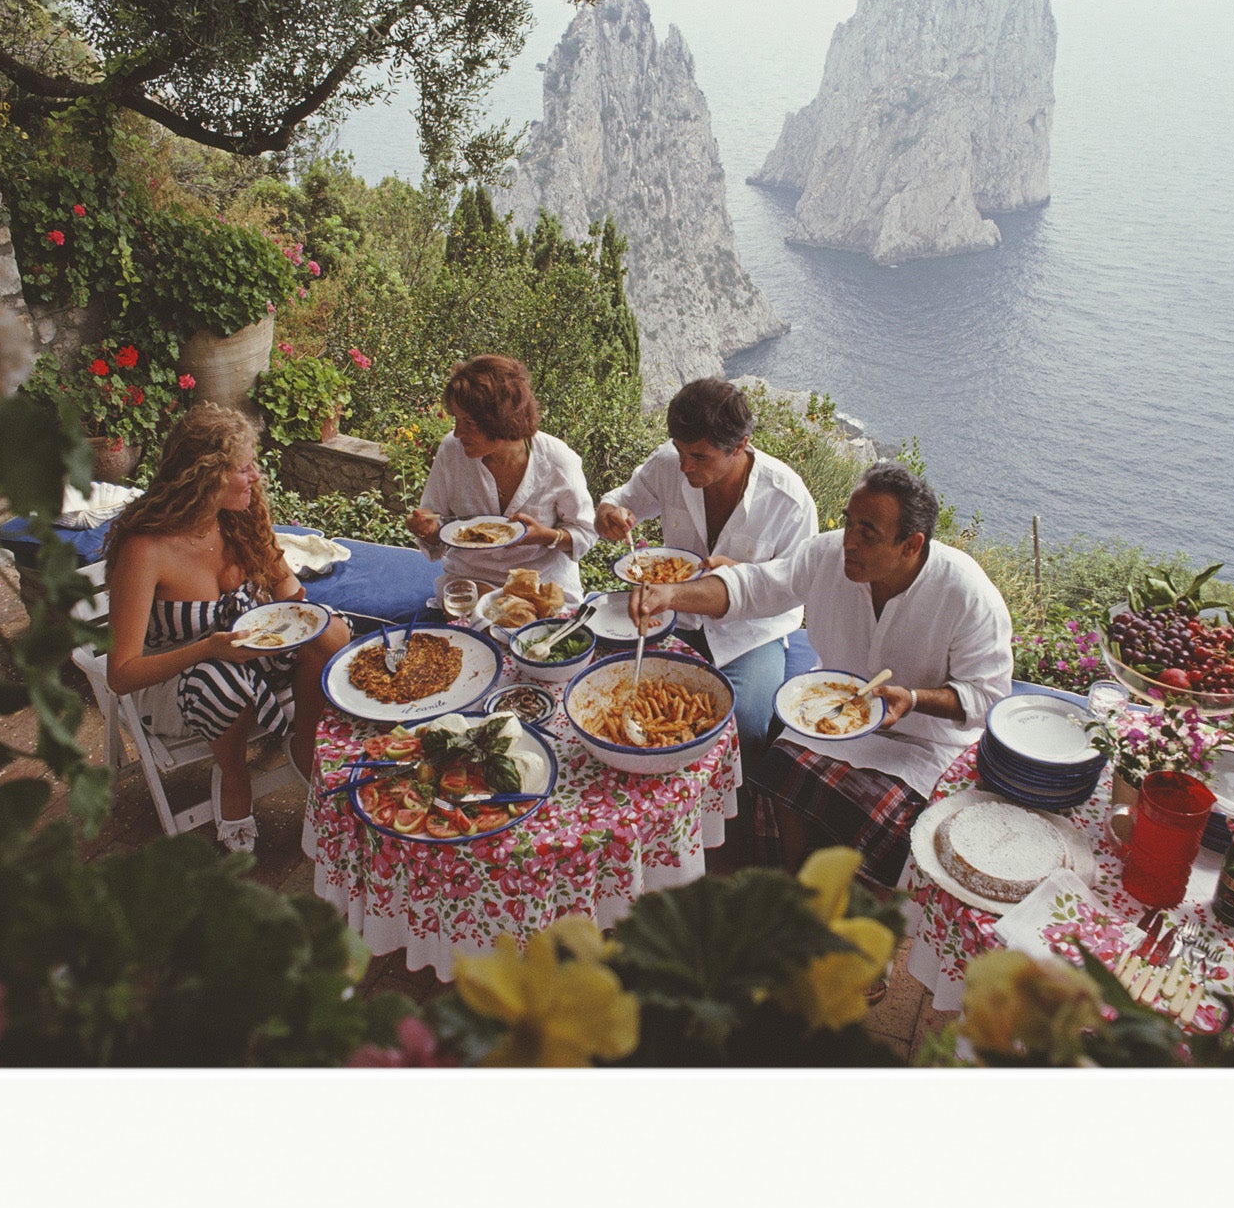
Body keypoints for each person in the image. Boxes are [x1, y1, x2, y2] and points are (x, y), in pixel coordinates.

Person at [628, 461, 1012, 887]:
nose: (850, 543)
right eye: (849, 524)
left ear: (911, 545)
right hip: (827, 715)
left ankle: (864, 906)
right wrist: (670, 594)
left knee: (891, 825)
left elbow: (988, 697)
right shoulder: (826, 555)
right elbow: (752, 588)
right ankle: (794, 885)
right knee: (778, 771)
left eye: (869, 535)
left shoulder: (966, 595)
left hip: (922, 744)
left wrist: (915, 699)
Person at [103, 402, 351, 854]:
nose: (257, 477)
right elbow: (121, 673)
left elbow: (289, 590)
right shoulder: (146, 550)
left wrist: (305, 619)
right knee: (224, 682)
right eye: (245, 467)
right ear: (206, 476)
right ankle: (235, 776)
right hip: (174, 676)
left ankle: (305, 741)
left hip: (241, 650)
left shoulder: (239, 517)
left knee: (331, 633)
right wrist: (208, 649)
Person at [595, 376, 817, 745]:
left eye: (699, 457)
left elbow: (794, 587)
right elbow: (624, 499)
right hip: (675, 619)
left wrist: (739, 579)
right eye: (680, 452)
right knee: (621, 694)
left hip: (750, 633)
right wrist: (609, 513)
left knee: (743, 723)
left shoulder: (787, 500)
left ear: (740, 446)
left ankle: (736, 797)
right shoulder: (668, 464)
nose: (684, 467)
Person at [406, 355, 598, 602]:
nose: (457, 432)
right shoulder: (452, 451)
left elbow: (586, 534)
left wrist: (544, 536)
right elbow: (437, 523)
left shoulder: (558, 461)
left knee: (525, 625)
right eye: (456, 419)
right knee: (483, 620)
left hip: (541, 585)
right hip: (472, 581)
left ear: (502, 419)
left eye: (470, 423)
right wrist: (427, 529)